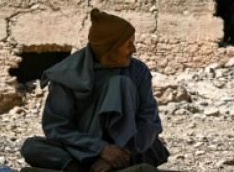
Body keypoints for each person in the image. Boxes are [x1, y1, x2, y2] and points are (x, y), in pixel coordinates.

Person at [21, 9, 170, 172]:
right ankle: (81, 167)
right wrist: (101, 149)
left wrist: (117, 154)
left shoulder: (138, 71)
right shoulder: (68, 74)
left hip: (128, 149)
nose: (133, 50)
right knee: (32, 147)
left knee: (121, 84)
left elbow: (149, 119)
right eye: (128, 44)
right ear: (110, 48)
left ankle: (105, 167)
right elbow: (56, 128)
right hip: (83, 150)